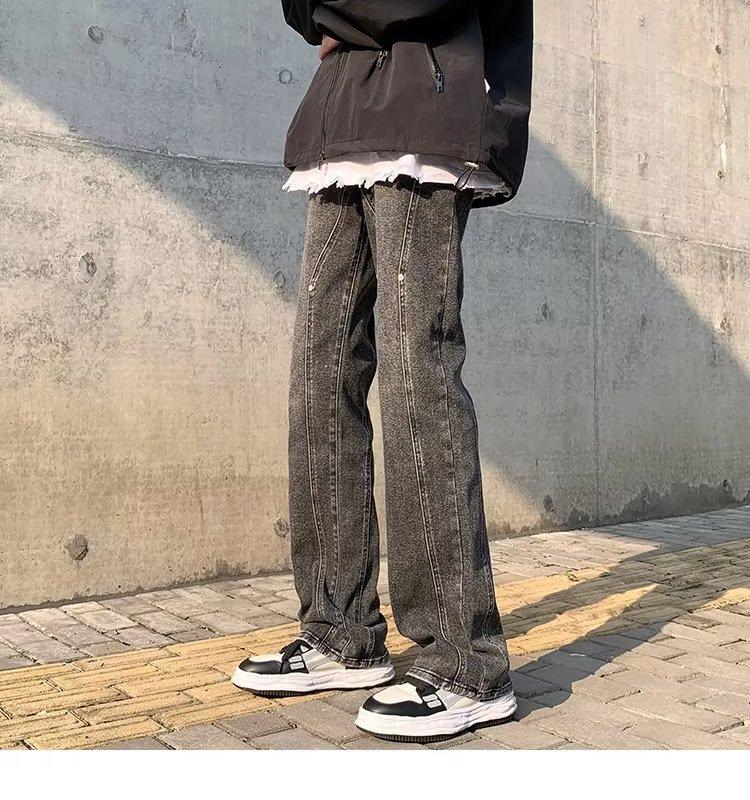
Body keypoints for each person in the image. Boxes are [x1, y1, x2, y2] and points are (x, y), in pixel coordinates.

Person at [233, 0, 534, 743]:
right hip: (340, 123)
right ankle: (339, 630)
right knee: (319, 373)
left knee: (415, 371)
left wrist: (334, 16)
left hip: (425, 113)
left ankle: (465, 661)